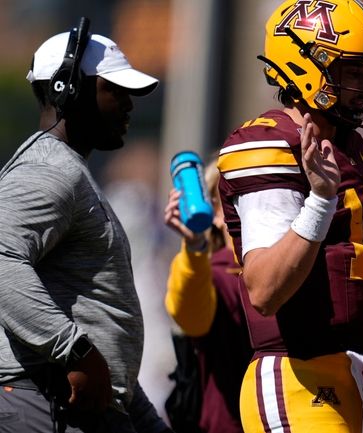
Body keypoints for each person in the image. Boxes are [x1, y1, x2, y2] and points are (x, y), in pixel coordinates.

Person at [216, 1, 363, 432]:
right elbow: (265, 289)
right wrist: (320, 201)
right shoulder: (266, 143)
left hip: (361, 373)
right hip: (299, 374)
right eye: (353, 71)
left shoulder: (347, 145)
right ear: (304, 65)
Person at [0, 21, 171, 433]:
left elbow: (96, 314)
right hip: (42, 402)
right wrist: (76, 353)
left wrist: (137, 411)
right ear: (68, 90)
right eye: (116, 90)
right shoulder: (49, 170)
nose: (129, 104)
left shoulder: (72, 173)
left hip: (74, 404)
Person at [164, 161, 252, 433]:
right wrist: (195, 247)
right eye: (240, 197)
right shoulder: (215, 273)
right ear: (215, 211)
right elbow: (191, 318)